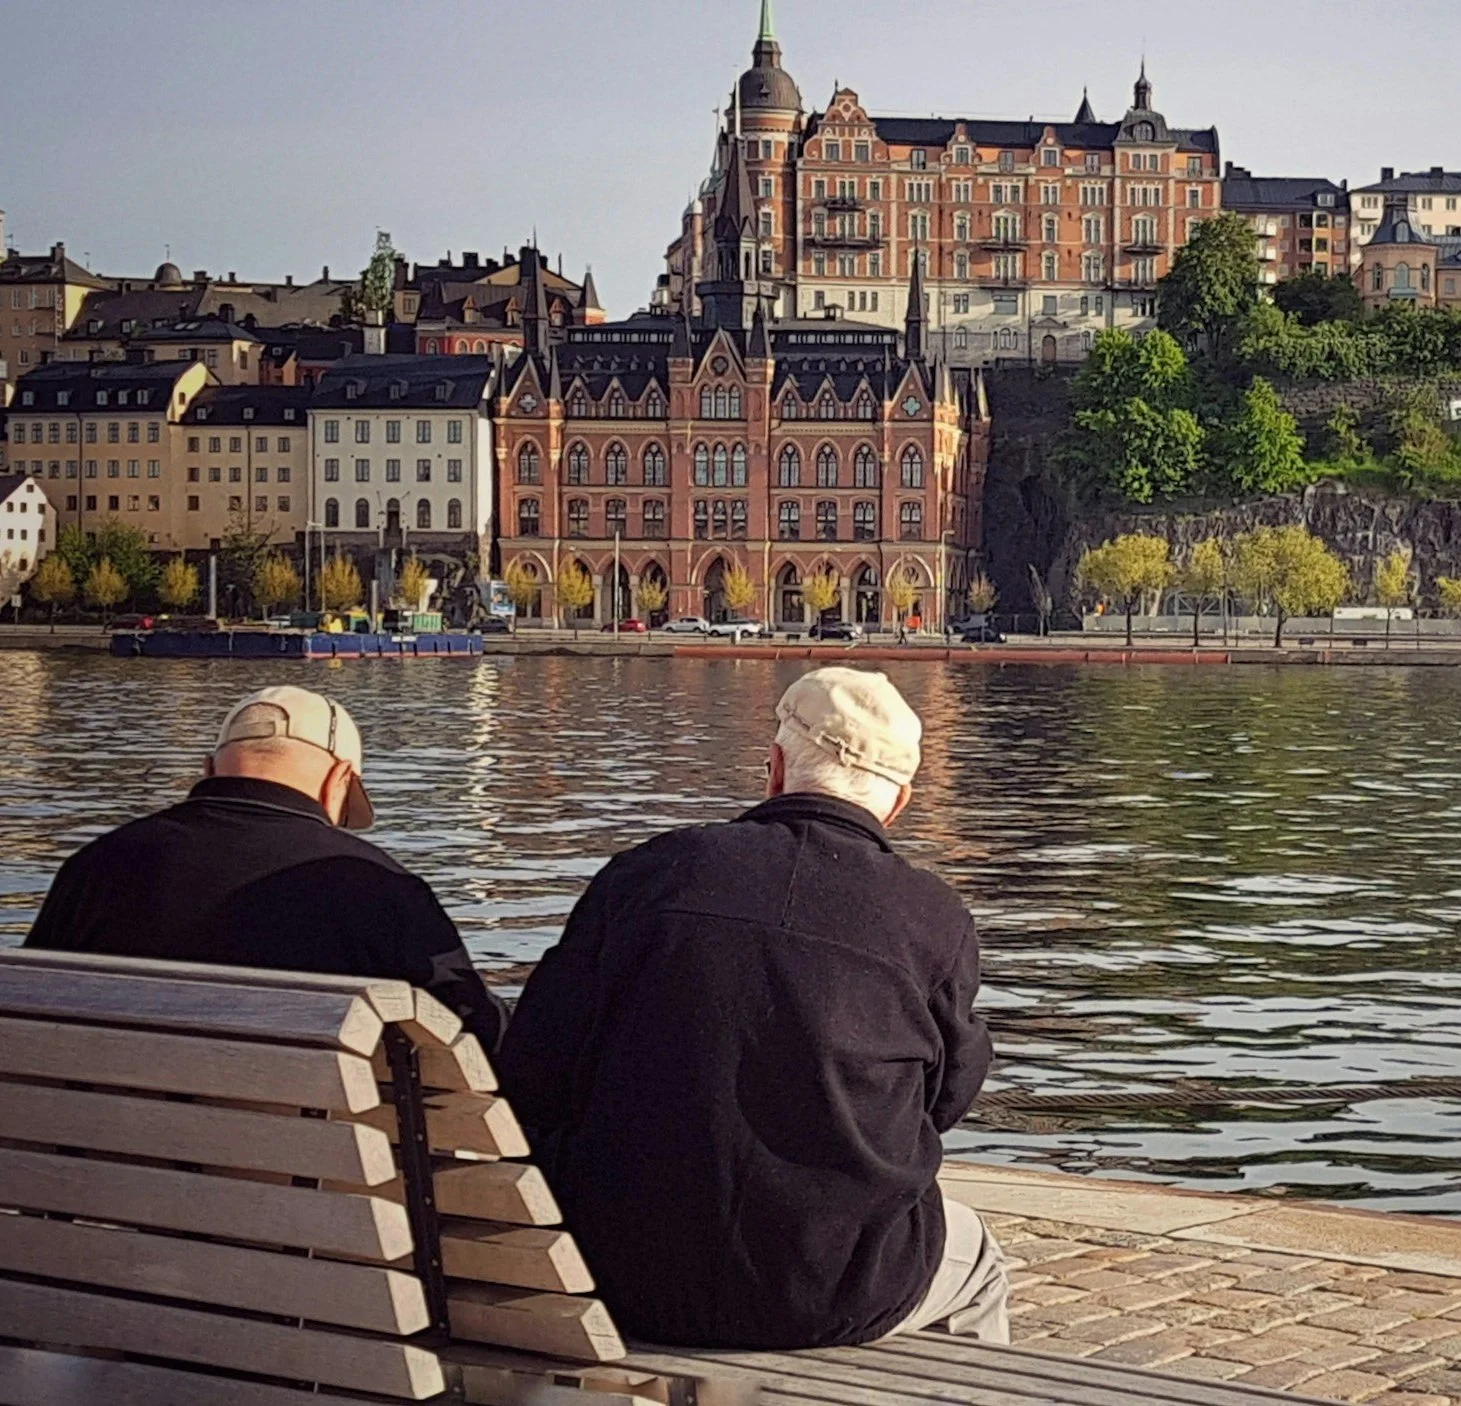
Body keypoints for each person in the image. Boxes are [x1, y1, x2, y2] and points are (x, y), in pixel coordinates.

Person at [498, 666, 1007, 1349]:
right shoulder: (933, 920)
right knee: (977, 1260)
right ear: (898, 804)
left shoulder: (648, 874)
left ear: (773, 768)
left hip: (611, 1263)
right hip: (832, 1285)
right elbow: (940, 1102)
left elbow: (534, 1067)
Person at [26, 684, 506, 1052]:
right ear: (338, 782)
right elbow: (484, 1043)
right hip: (315, 1175)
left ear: (209, 769)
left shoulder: (93, 869)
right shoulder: (380, 891)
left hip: (103, 1171)